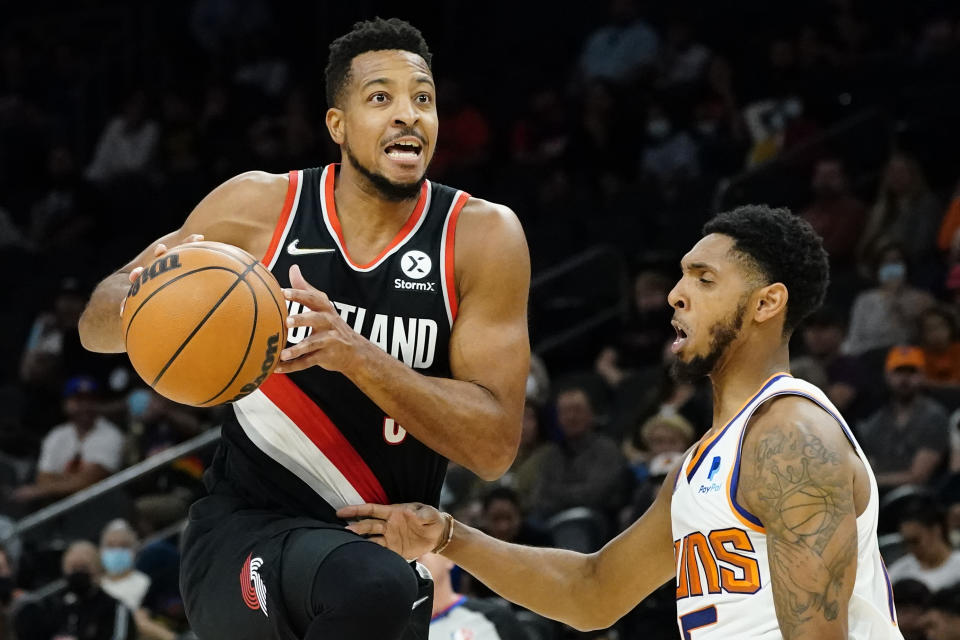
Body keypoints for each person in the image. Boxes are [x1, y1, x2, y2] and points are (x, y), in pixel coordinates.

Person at [77, 17, 530, 640]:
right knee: (374, 585)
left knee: (380, 584)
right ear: (337, 126)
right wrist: (147, 294)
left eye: (422, 99)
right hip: (246, 527)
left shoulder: (481, 238)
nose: (408, 115)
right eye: (381, 98)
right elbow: (94, 326)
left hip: (379, 546)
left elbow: (494, 447)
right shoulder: (259, 209)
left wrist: (356, 355)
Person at [341, 205, 906, 639]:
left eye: (704, 279)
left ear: (766, 303)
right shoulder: (706, 461)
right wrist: (447, 535)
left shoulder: (793, 439)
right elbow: (594, 593)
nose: (676, 295)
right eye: (682, 278)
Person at [11, 376, 124, 508]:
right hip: (59, 505)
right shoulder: (57, 435)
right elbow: (43, 478)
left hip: (99, 505)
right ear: (66, 404)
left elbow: (91, 479)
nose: (85, 406)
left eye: (90, 399)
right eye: (78, 400)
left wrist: (45, 488)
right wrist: (60, 485)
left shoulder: (112, 434)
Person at [858, 346, 950, 491]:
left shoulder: (934, 416)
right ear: (887, 376)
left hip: (918, 498)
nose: (905, 379)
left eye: (912, 372)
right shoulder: (876, 420)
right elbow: (868, 463)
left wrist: (869, 482)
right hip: (878, 496)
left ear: (923, 376)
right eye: (899, 372)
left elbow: (918, 476)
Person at [14, 541, 134, 640]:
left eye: (83, 568)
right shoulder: (55, 607)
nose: (78, 574)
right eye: (73, 569)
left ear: (97, 571)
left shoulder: (115, 608)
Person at [420, 552, 527, 640]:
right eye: (404, 550)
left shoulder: (495, 618)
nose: (415, 555)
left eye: (423, 543)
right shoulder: (403, 629)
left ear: (449, 558)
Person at [887, 499, 960, 593]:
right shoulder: (898, 572)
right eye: (906, 543)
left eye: (915, 541)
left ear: (936, 530)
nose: (910, 549)